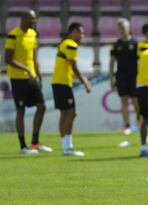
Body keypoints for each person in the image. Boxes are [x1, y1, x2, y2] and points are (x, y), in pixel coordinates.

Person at [5, 9, 52, 154]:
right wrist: (26, 69)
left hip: (32, 78)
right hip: (18, 78)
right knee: (21, 110)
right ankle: (23, 146)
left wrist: (39, 75)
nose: (34, 22)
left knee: (42, 106)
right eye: (31, 19)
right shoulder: (13, 35)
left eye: (35, 19)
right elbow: (8, 59)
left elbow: (34, 58)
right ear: (23, 18)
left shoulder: (33, 34)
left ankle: (35, 143)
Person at [51, 22, 91, 156]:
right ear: (73, 32)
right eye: (80, 32)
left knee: (64, 114)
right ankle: (67, 148)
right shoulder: (71, 45)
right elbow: (74, 67)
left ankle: (65, 147)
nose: (82, 35)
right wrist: (85, 82)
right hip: (62, 83)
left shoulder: (65, 43)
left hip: (59, 82)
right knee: (71, 113)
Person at [109, 18, 139, 135]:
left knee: (136, 101)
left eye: (124, 27)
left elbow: (141, 60)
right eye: (120, 28)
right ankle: (127, 126)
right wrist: (111, 78)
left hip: (135, 76)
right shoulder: (116, 45)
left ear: (129, 28)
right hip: (121, 76)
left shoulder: (136, 43)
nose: (122, 30)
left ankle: (138, 123)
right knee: (124, 100)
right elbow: (112, 62)